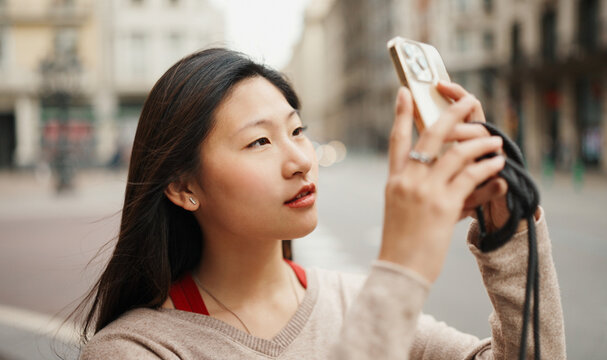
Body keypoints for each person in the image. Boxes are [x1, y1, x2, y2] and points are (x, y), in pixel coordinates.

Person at [77, 48, 565, 359]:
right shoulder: (136, 349)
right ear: (184, 187)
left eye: (296, 131)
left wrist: (506, 231)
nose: (299, 161)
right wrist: (402, 266)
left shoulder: (355, 304)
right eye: (260, 143)